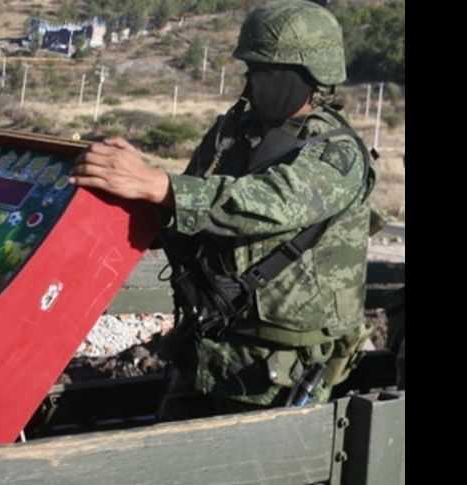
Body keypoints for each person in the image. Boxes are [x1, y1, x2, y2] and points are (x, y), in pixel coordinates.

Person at [70, 0, 376, 420]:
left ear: (311, 76)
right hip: (209, 346)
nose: (254, 81)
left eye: (267, 71)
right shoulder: (236, 133)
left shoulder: (336, 151)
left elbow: (270, 203)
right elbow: (185, 203)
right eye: (251, 69)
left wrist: (158, 184)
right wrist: (129, 189)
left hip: (278, 368)